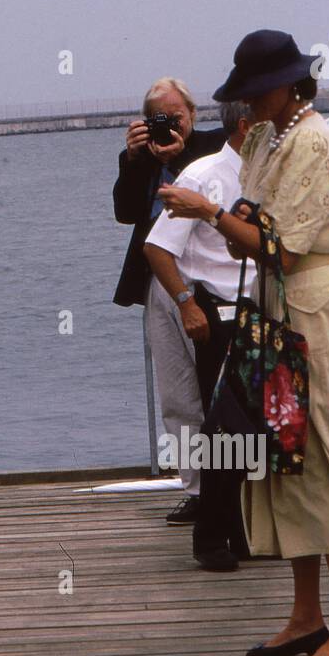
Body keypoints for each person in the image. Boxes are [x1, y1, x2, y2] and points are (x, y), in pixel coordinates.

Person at [160, 30, 329, 656]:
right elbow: (252, 238)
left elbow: (279, 248)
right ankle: (304, 615)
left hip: (313, 309)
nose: (245, 105)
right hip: (275, 305)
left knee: (320, 456)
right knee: (281, 463)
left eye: (253, 90)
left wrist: (206, 211)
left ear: (287, 86)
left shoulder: (313, 141)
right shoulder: (267, 139)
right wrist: (229, 222)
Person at [145, 100, 257, 570]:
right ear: (247, 125)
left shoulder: (270, 174)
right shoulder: (200, 177)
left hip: (265, 311)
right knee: (223, 428)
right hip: (217, 312)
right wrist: (187, 303)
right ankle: (211, 537)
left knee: (256, 427)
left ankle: (245, 530)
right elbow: (157, 247)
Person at [113, 77, 227, 523]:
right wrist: (132, 159)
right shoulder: (140, 157)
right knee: (177, 393)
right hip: (157, 280)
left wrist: (179, 155)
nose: (168, 127)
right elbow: (125, 212)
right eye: (158, 119)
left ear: (194, 115)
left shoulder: (211, 148)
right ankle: (197, 489)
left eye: (175, 117)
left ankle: (228, 489)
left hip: (204, 279)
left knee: (215, 389)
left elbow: (211, 198)